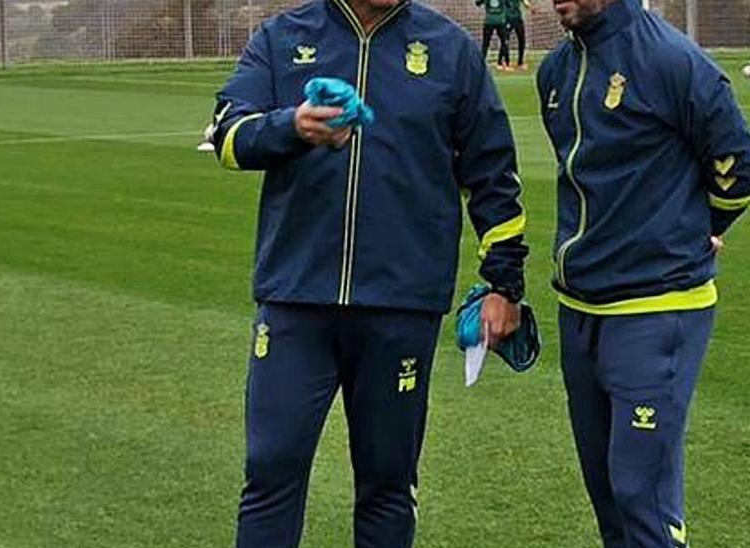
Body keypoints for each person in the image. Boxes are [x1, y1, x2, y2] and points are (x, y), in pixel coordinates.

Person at [208, 0, 528, 546]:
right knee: (271, 471)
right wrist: (293, 126)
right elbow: (228, 137)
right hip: (297, 300)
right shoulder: (283, 37)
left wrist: (504, 285)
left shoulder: (448, 49)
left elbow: (494, 175)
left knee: (387, 483)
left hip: (401, 306)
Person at [536, 0, 750, 546]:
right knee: (609, 496)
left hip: (656, 308)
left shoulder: (672, 60)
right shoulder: (556, 70)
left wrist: (696, 226)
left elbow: (743, 168)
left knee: (642, 496)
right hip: (580, 308)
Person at [476, 0, 512, 70]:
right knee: (504, 42)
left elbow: (478, 3)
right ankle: (506, 63)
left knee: (486, 43)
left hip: (491, 22)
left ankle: (481, 63)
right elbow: (509, 5)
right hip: (498, 22)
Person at [505, 0, 531, 70]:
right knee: (505, 40)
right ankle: (506, 62)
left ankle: (520, 62)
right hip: (507, 18)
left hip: (518, 18)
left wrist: (528, 6)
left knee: (522, 40)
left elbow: (525, 3)